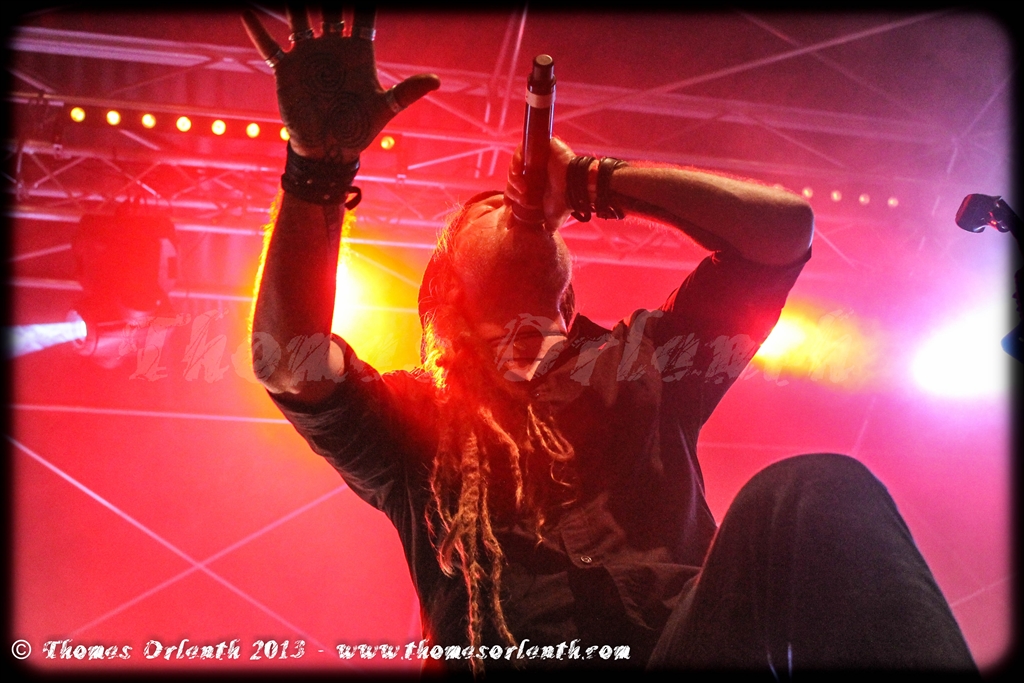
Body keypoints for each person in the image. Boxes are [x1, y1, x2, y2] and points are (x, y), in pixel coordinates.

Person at [243, 7, 977, 674]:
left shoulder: (646, 360)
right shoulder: (411, 417)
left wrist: (593, 183)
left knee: (814, 491)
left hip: (683, 650)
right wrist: (318, 171)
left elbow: (784, 233)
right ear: (447, 287)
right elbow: (287, 356)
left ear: (567, 293)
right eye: (486, 208)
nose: (514, 204)